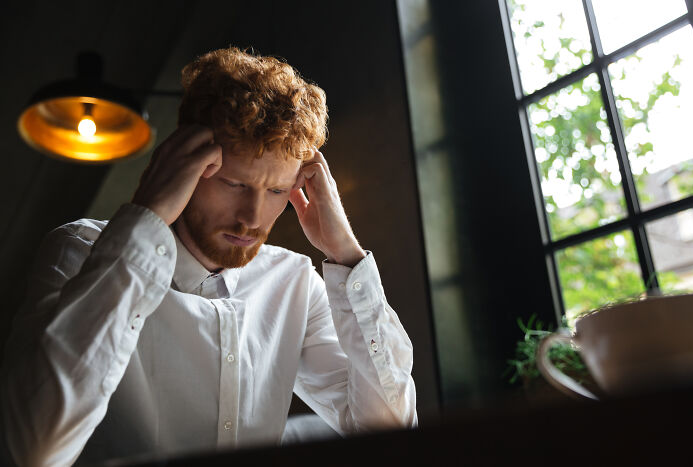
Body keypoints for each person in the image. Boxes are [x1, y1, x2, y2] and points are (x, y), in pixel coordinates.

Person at [0, 47, 417, 466]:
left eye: (276, 191)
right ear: (184, 159)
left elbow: (389, 433)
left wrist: (346, 254)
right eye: (235, 184)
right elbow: (34, 449)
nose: (252, 219)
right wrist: (147, 217)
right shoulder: (79, 254)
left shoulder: (294, 284)